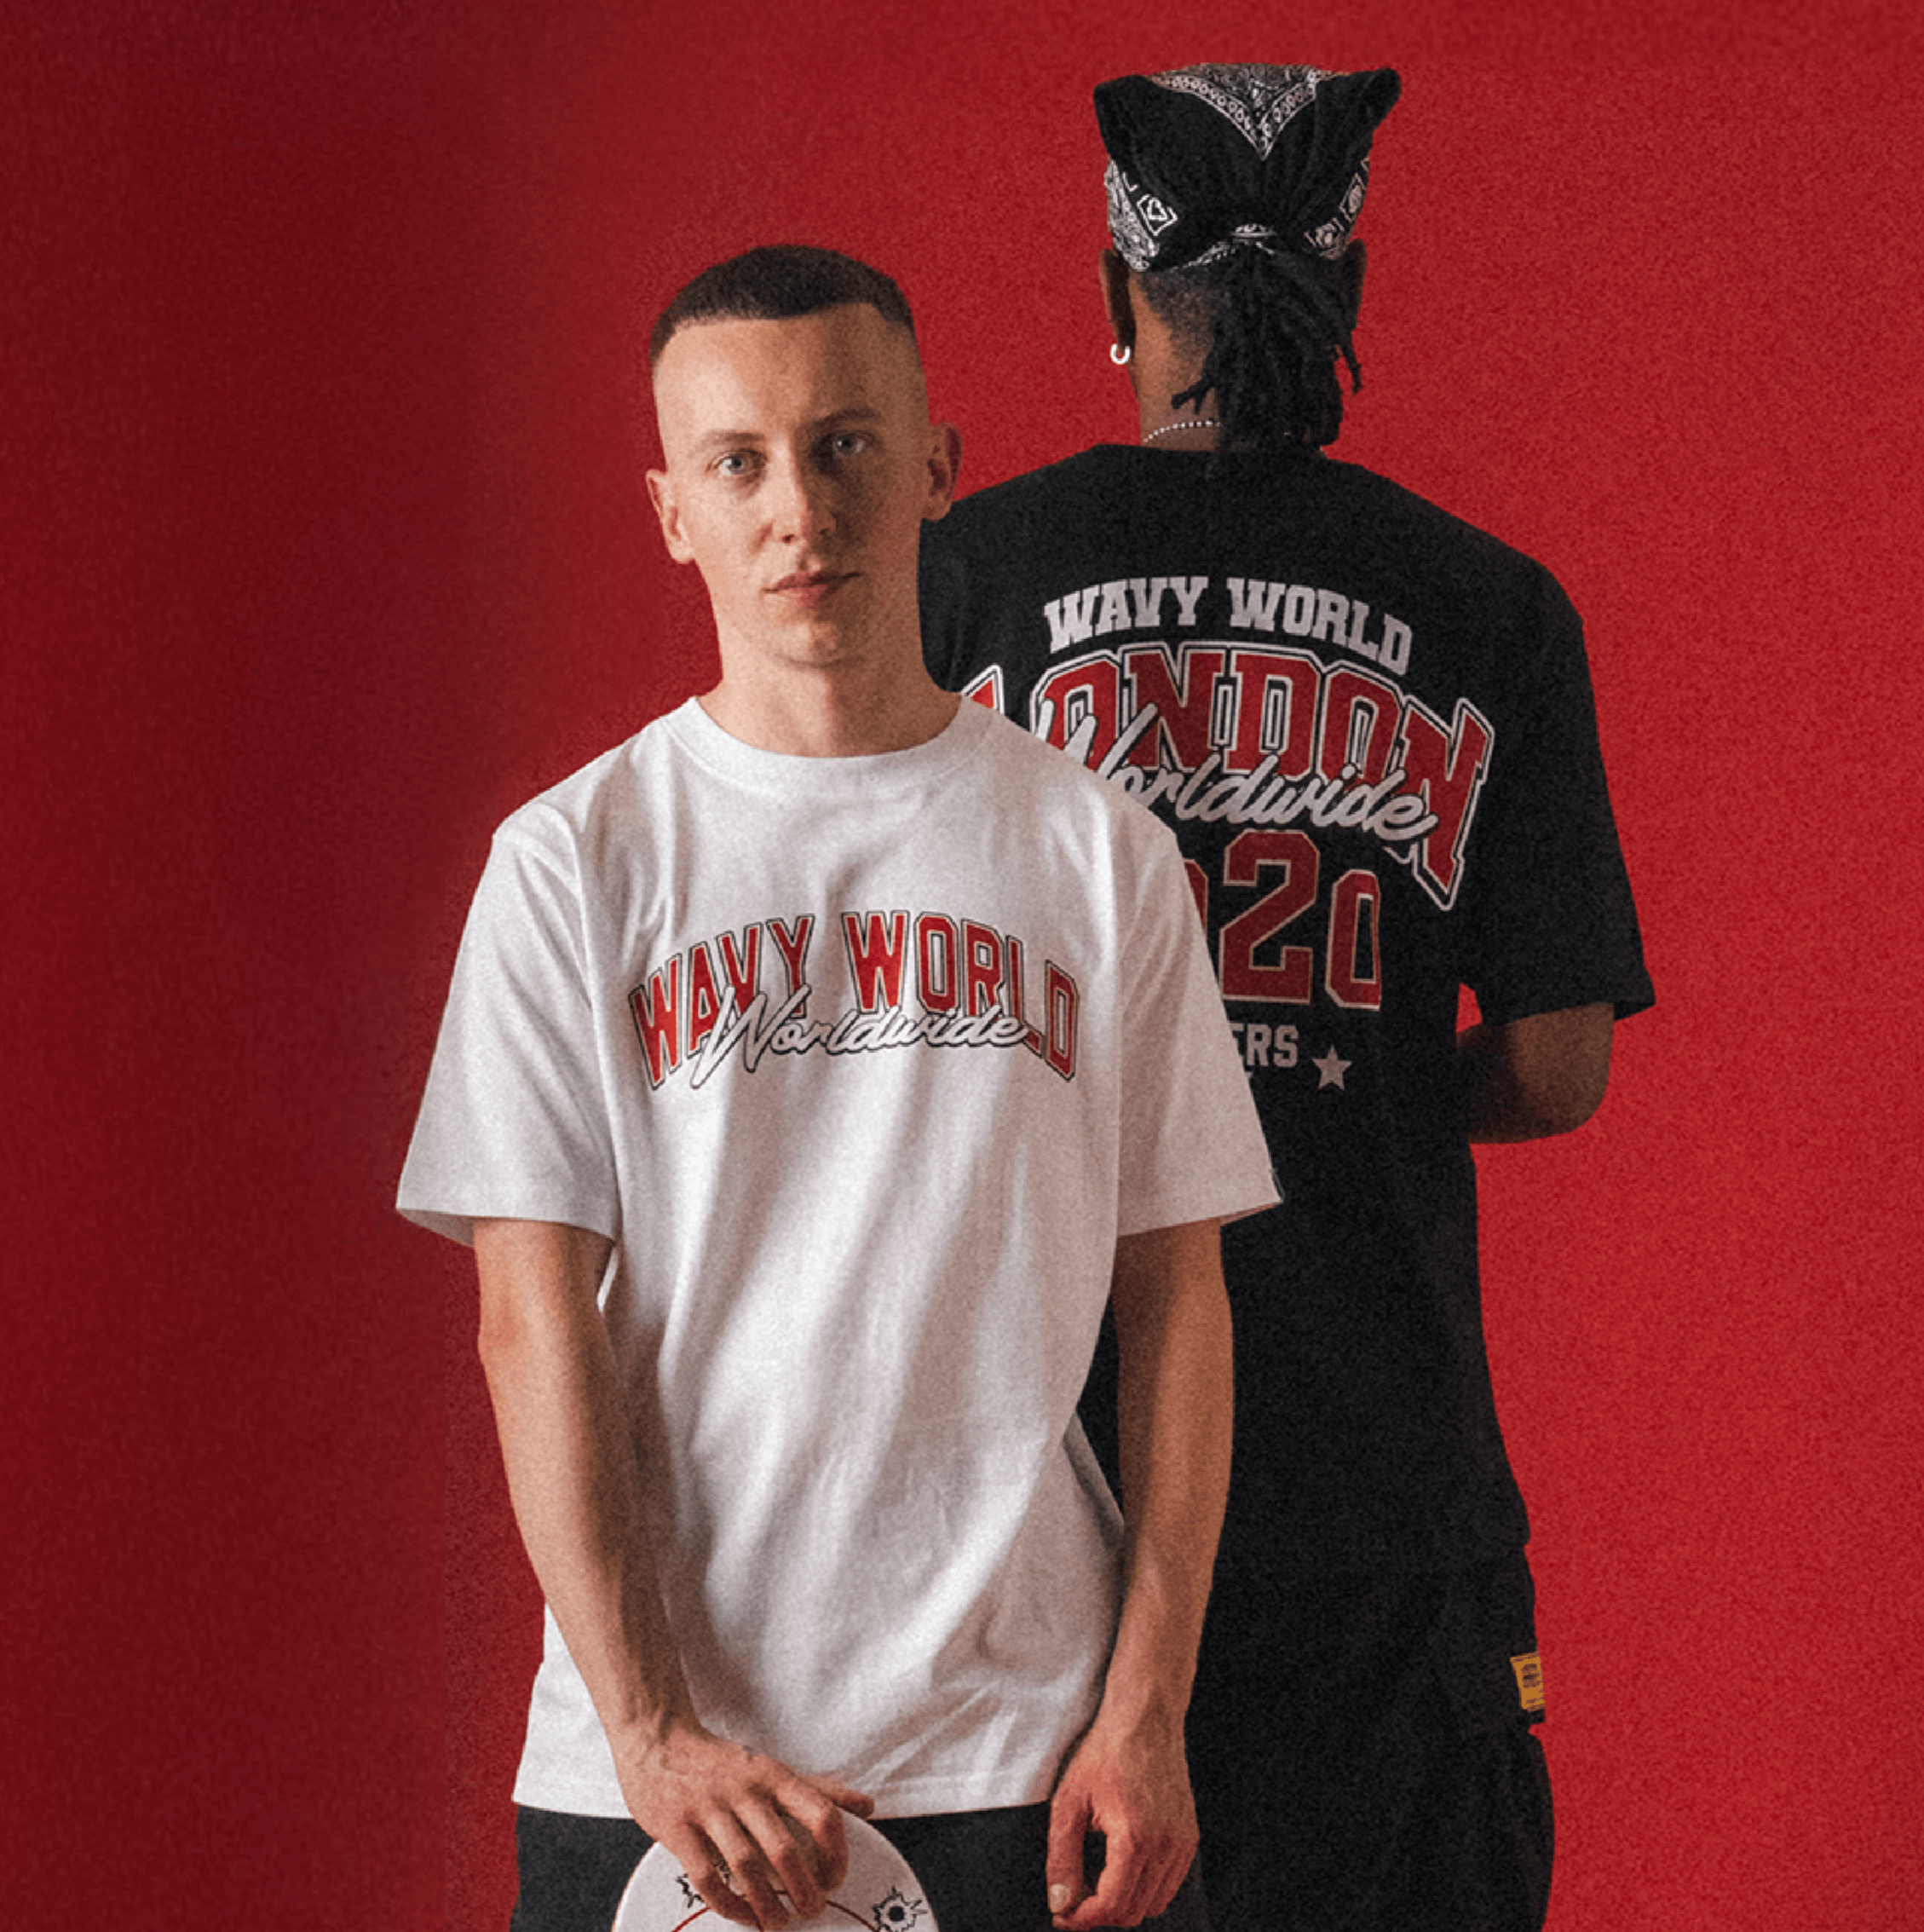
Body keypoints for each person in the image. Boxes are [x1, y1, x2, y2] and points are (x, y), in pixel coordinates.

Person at [398, 244, 1278, 1932]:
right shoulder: (573, 864)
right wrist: (653, 1733)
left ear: (939, 463)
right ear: (672, 510)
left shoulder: (1094, 854)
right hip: (661, 1778)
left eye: (846, 443)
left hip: (1021, 1755)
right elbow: (532, 1320)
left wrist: (1146, 1705)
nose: (798, 505)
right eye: (738, 461)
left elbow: (1180, 1299)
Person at [919, 66, 1655, 1932]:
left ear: (1113, 296)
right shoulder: (1490, 603)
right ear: (1351, 286)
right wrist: (1354, 1078)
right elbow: (1559, 1067)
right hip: (1376, 1473)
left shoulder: (966, 574)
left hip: (1025, 1477)